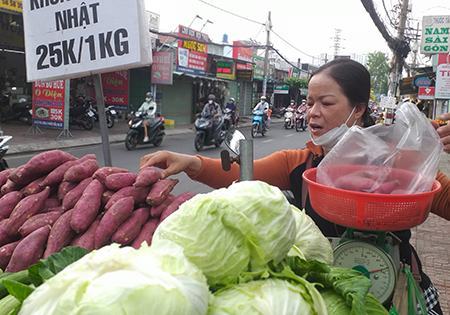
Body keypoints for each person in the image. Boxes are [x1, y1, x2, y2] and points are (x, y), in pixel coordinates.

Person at [141, 59, 449, 314]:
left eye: (326, 103)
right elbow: (241, 174)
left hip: (393, 291)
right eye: (310, 102)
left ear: (358, 108)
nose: (313, 112)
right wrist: (192, 162)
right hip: (326, 294)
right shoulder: (301, 162)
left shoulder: (400, 164)